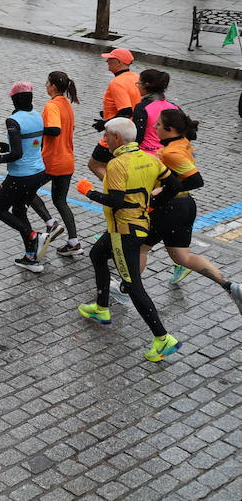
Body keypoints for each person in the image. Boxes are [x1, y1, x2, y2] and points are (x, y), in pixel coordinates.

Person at [76, 117, 180, 363]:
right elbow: (174, 185)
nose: (104, 140)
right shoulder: (149, 158)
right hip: (131, 225)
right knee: (97, 255)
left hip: (124, 231)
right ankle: (102, 308)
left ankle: (163, 338)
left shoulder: (116, 165)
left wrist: (88, 192)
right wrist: (150, 203)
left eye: (107, 136)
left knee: (133, 285)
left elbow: (117, 201)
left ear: (116, 138)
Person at [128, 109, 241, 312]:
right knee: (182, 257)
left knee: (140, 248)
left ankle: (126, 289)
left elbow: (196, 180)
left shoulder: (171, 152)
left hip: (169, 208)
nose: (154, 127)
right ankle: (230, 286)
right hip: (185, 206)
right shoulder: (182, 141)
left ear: (170, 129)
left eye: (159, 125)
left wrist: (162, 192)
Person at [0, 81, 62, 273]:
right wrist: (8, 148)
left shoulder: (13, 121)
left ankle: (33, 235)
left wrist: (1, 158)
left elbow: (17, 154)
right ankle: (31, 258)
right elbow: (32, 144)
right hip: (38, 172)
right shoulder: (37, 116)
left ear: (14, 99)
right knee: (19, 211)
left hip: (20, 175)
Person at [42, 72, 84, 257]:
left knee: (25, 191)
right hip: (67, 160)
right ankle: (73, 242)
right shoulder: (67, 104)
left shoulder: (52, 105)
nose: (45, 85)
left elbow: (54, 129)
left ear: (52, 86)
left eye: (47, 82)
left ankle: (51, 224)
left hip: (52, 161)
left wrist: (35, 127)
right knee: (60, 200)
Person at [88, 48, 141, 180]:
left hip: (115, 134)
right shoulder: (136, 77)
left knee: (95, 164)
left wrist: (105, 123)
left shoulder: (117, 83)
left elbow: (126, 111)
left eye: (110, 59)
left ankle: (116, 191)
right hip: (131, 132)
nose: (107, 61)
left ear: (119, 62)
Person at [130, 69, 177, 153]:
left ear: (146, 85)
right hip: (166, 153)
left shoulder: (142, 107)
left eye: (139, 83)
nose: (138, 86)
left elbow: (138, 136)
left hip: (146, 153)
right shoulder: (174, 107)